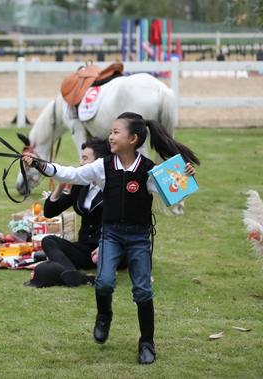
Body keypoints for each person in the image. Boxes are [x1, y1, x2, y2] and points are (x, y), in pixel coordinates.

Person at [23, 112, 199, 365]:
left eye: (116, 132)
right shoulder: (102, 167)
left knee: (142, 291)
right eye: (111, 131)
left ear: (133, 138)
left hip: (139, 238)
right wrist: (40, 164)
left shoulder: (150, 170)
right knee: (104, 282)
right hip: (111, 236)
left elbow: (175, 196)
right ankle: (104, 316)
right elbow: (70, 174)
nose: (111, 136)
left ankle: (147, 343)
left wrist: (186, 177)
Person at [40, 137, 111, 287]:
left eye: (85, 159)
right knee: (48, 241)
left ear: (99, 163)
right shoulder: (81, 185)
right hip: (86, 248)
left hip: (109, 247)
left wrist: (104, 246)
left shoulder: (113, 187)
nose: (81, 163)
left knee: (106, 255)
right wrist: (60, 186)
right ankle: (73, 274)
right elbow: (49, 212)